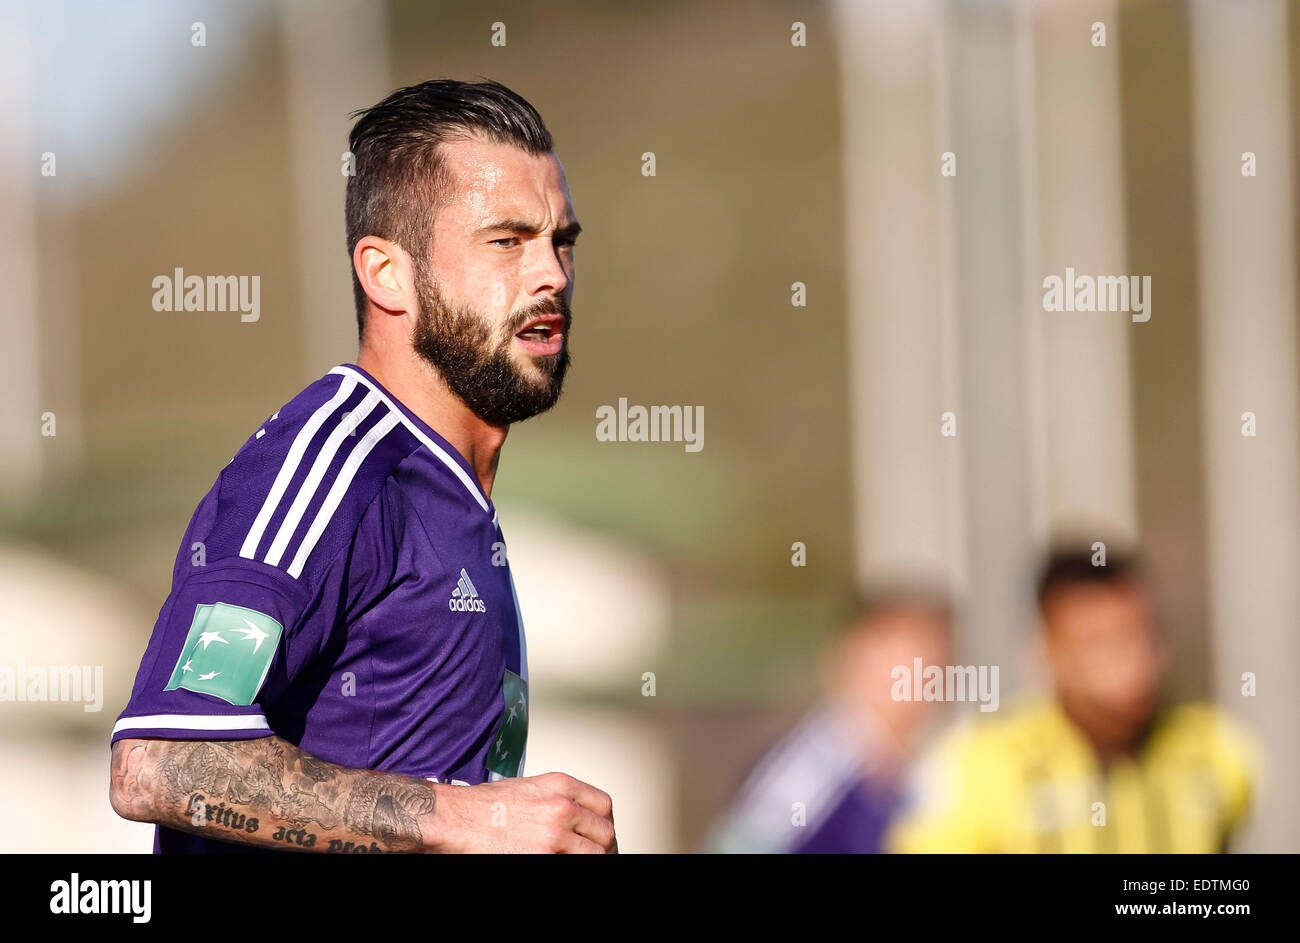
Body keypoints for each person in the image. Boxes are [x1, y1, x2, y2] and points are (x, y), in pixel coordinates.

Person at [108, 79, 616, 853]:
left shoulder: (455, 494)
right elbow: (164, 762)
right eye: (507, 241)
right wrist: (467, 819)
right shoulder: (329, 462)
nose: (551, 273)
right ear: (386, 273)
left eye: (562, 241)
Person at [888, 545, 1257, 853]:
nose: (1131, 662)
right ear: (1045, 651)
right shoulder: (980, 765)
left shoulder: (1215, 749)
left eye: (1141, 635)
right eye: (1099, 645)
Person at [708, 589, 953, 852]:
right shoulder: (812, 764)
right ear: (854, 656)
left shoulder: (936, 767)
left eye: (932, 654)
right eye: (903, 649)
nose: (922, 671)